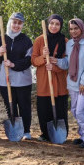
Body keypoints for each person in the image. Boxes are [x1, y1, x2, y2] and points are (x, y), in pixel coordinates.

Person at [56, 18, 84, 148]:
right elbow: (67, 63)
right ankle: (83, 135)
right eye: (71, 29)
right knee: (75, 110)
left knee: (82, 110)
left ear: (81, 28)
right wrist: (55, 61)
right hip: (73, 83)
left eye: (76, 28)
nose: (73, 31)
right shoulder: (69, 44)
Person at [0, 12, 33, 140]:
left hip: (22, 80)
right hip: (5, 79)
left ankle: (26, 131)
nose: (16, 25)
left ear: (22, 25)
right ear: (10, 23)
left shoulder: (26, 40)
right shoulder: (0, 39)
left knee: (24, 105)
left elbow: (28, 60)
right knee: (10, 105)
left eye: (19, 23)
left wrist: (13, 64)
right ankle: (15, 128)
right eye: (14, 22)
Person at [31, 14, 68, 142]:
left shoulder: (65, 41)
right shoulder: (39, 40)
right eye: (52, 23)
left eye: (57, 24)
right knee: (44, 108)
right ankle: (45, 134)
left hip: (59, 81)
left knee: (60, 108)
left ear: (61, 26)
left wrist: (55, 65)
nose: (54, 26)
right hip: (44, 80)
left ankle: (61, 133)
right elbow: (34, 60)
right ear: (48, 25)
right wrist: (43, 56)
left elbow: (67, 63)